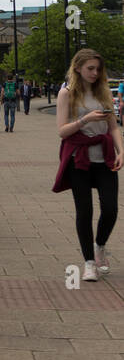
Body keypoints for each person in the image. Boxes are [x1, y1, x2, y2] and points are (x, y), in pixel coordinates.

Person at [54, 49, 124, 282]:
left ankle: (100, 245)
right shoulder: (66, 93)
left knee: (111, 209)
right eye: (90, 68)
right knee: (84, 212)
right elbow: (62, 131)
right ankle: (89, 263)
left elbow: (113, 127)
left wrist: (120, 150)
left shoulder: (103, 92)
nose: (95, 73)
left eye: (97, 69)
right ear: (77, 68)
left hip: (103, 158)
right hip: (78, 158)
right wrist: (85, 119)